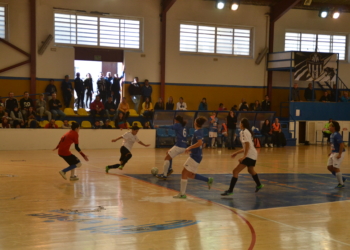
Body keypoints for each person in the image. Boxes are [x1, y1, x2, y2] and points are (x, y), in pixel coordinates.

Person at [173, 117, 214, 199]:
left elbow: (200, 143)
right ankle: (208, 180)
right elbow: (201, 143)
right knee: (190, 175)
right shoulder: (200, 131)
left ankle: (182, 194)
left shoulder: (197, 132)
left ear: (195, 123)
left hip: (195, 156)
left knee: (184, 173)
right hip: (196, 155)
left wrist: (190, 148)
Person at [221, 118, 264, 196]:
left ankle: (230, 191)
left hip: (249, 155)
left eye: (240, 123)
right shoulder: (247, 131)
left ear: (242, 124)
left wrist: (244, 156)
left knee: (235, 171)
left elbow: (247, 145)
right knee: (250, 170)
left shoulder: (243, 132)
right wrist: (236, 153)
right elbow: (246, 146)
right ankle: (259, 184)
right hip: (253, 154)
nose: (239, 124)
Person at [155, 115, 188, 180]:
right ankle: (169, 169)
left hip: (179, 146)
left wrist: (159, 126)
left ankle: (164, 175)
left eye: (175, 120)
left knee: (166, 158)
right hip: (183, 145)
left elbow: (169, 127)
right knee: (169, 153)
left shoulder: (178, 125)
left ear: (177, 120)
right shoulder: (183, 126)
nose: (174, 122)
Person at [326, 121, 347, 188]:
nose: (329, 127)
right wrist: (331, 151)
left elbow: (341, 144)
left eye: (330, 126)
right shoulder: (332, 135)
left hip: (338, 152)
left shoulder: (337, 134)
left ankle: (341, 183)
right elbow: (333, 145)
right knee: (329, 167)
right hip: (334, 152)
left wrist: (340, 154)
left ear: (334, 127)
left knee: (336, 167)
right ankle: (342, 178)